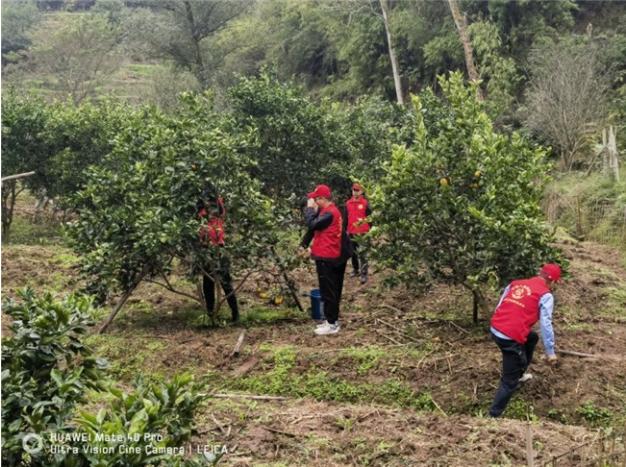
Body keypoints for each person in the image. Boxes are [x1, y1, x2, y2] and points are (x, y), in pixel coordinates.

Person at [488, 263, 561, 417]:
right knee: (509, 382)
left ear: (539, 274)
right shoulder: (546, 295)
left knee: (531, 337)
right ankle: (492, 417)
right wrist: (550, 352)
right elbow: (546, 324)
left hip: (495, 328)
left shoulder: (516, 283)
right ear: (552, 281)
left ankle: (520, 372)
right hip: (509, 338)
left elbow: (500, 305)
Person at [301, 184, 349, 336]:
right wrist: (305, 245)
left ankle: (332, 323)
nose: (313, 202)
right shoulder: (327, 211)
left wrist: (308, 210)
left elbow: (312, 224)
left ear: (322, 199)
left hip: (327, 257)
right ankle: (330, 320)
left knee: (328, 291)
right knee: (330, 290)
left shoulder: (329, 213)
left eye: (315, 199)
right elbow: (315, 230)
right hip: (330, 254)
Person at [197, 190, 239, 322]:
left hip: (217, 247)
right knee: (209, 282)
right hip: (208, 247)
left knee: (224, 281)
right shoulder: (212, 206)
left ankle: (234, 314)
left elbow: (215, 213)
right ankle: (212, 314)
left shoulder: (215, 206)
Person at [345, 182, 372, 284]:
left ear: (361, 192)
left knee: (363, 254)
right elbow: (346, 219)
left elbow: (370, 218)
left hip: (363, 232)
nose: (355, 192)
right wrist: (345, 231)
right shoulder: (348, 203)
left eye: (357, 190)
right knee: (353, 253)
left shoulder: (365, 203)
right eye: (353, 190)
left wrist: (369, 229)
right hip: (351, 231)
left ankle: (364, 273)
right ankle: (355, 270)